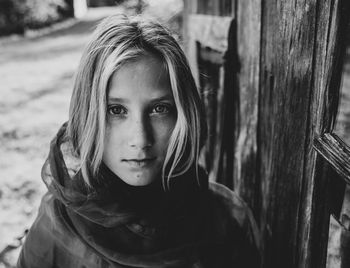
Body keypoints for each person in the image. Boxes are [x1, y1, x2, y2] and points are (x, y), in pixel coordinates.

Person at [17, 14, 260, 268]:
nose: (140, 139)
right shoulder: (57, 228)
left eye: (159, 109)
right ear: (87, 114)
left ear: (183, 113)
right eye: (116, 110)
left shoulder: (222, 222)